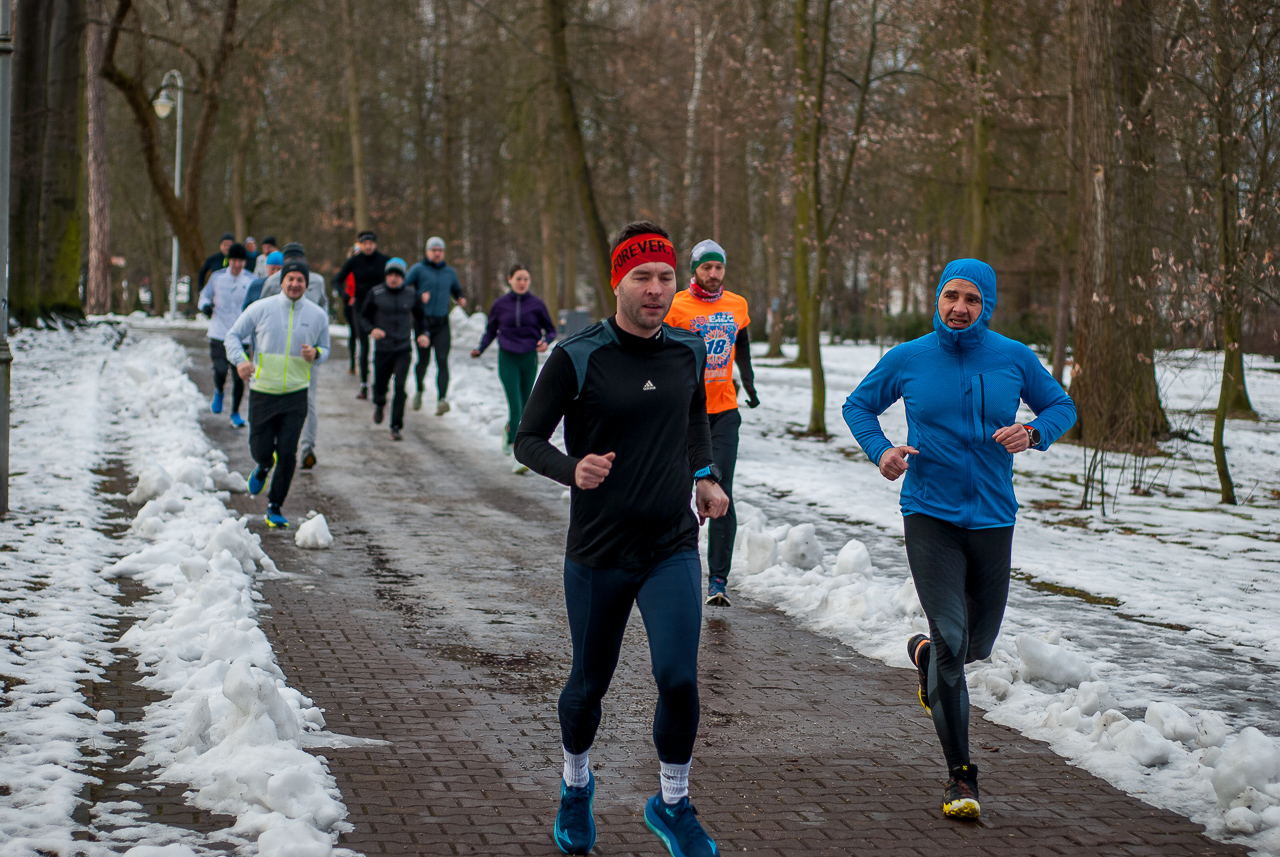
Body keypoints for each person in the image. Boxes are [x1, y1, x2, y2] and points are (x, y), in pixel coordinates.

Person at [515, 221, 729, 857]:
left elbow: (696, 417)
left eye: (665, 277)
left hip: (670, 545)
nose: (656, 289)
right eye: (642, 277)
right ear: (617, 282)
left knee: (680, 679)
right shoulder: (577, 355)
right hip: (599, 551)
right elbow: (526, 440)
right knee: (589, 684)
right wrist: (571, 470)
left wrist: (705, 475)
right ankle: (575, 786)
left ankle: (672, 803)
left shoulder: (688, 351)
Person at [843, 259, 1077, 820]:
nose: (959, 307)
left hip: (994, 516)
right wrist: (884, 452)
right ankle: (961, 777)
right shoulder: (910, 358)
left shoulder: (1013, 357)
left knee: (975, 645)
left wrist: (1035, 431)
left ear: (986, 306)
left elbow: (1060, 406)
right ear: (937, 298)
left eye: (972, 299)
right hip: (930, 512)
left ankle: (924, 655)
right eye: (951, 295)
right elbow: (858, 405)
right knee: (951, 636)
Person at [664, 238, 759, 607]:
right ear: (695, 271)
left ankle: (718, 579)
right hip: (682, 412)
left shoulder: (737, 304)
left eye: (719, 267)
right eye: (707, 267)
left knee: (721, 489)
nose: (714, 274)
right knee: (675, 488)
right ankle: (672, 565)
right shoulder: (676, 306)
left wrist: (748, 382)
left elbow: (744, 343)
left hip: (723, 412)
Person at [224, 260, 331, 529]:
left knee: (287, 453)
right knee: (261, 448)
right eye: (291, 279)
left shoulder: (317, 315)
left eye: (300, 280)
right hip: (263, 391)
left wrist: (316, 354)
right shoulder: (261, 308)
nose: (295, 284)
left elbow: (326, 348)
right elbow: (233, 336)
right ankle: (261, 466)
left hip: (296, 393)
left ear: (307, 284)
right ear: (281, 281)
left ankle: (275, 506)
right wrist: (241, 361)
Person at [470, 263, 557, 472]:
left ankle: (510, 430)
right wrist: (480, 349)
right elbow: (491, 331)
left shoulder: (537, 304)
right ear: (509, 280)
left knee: (527, 406)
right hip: (507, 358)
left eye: (526, 279)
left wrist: (546, 342)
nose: (522, 283)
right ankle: (519, 455)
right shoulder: (500, 304)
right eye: (518, 278)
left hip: (528, 358)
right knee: (516, 405)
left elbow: (551, 330)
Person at [259, 243, 330, 470]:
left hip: (301, 351)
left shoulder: (313, 281)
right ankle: (294, 444)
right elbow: (261, 312)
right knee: (295, 398)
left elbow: (323, 311)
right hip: (286, 352)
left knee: (298, 398)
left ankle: (301, 446)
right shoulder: (275, 282)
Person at [360, 258, 430, 440]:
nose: (393, 279)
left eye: (397, 276)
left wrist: (423, 334)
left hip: (403, 348)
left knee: (400, 386)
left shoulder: (411, 294)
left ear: (403, 277)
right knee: (380, 386)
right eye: (390, 275)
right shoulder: (376, 293)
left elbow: (421, 319)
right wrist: (372, 329)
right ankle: (379, 403)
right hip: (383, 348)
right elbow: (363, 317)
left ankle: (396, 426)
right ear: (386, 276)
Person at [404, 236, 466, 415]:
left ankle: (442, 399)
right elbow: (404, 290)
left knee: (442, 360)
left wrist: (460, 298)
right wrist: (418, 296)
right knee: (423, 361)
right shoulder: (417, 270)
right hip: (422, 323)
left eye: (440, 250)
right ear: (427, 252)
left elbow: (456, 289)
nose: (437, 253)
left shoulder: (450, 272)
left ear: (444, 252)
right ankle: (419, 390)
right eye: (434, 250)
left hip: (441, 322)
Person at [198, 243, 255, 427]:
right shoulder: (217, 277)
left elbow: (257, 304)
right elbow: (204, 296)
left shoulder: (251, 280)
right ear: (228, 260)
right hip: (219, 332)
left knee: (240, 376)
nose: (237, 264)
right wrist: (205, 307)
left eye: (241, 261)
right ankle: (219, 391)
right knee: (221, 370)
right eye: (234, 260)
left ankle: (235, 413)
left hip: (241, 336)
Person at [331, 231, 389, 399]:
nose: (368, 246)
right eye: (365, 243)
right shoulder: (354, 261)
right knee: (364, 346)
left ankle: (381, 383)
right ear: (360, 245)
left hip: (380, 309)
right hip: (361, 309)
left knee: (382, 347)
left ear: (375, 244)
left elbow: (397, 277)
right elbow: (336, 280)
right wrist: (346, 295)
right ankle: (364, 384)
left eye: (371, 243)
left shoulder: (384, 260)